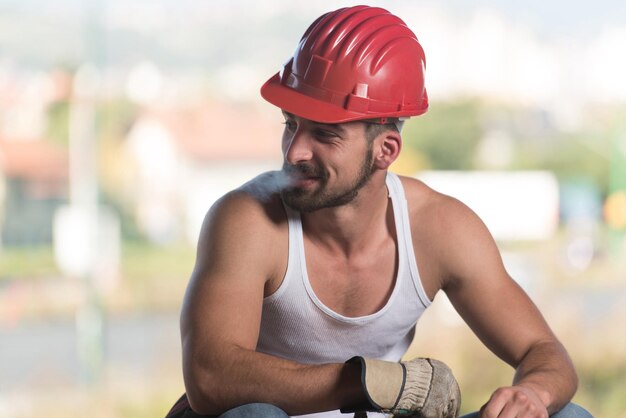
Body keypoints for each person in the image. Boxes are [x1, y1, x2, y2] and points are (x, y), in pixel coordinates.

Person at [166, 5, 592, 418]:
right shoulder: (248, 220)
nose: (295, 151)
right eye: (290, 124)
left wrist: (531, 395)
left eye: (325, 135)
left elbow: (547, 355)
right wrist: (374, 383)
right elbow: (209, 377)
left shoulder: (438, 229)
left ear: (385, 149)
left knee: (566, 415)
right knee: (254, 415)